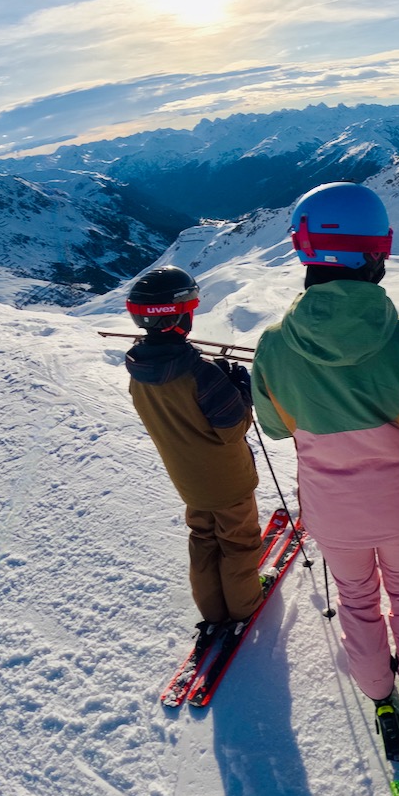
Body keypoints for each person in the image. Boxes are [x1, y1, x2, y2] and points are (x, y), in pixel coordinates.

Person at [250, 182, 399, 746]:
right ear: (375, 254)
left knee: (357, 598)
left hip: (331, 512)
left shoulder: (272, 346)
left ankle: (374, 687)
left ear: (305, 251)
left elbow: (273, 427)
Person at [124, 266, 265, 630]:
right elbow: (232, 430)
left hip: (188, 480)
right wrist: (241, 394)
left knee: (203, 539)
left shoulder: (140, 370)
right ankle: (244, 606)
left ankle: (214, 612)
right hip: (228, 480)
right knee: (239, 544)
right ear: (178, 316)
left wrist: (221, 384)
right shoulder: (200, 374)